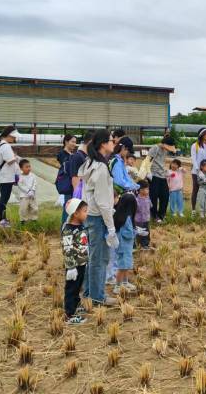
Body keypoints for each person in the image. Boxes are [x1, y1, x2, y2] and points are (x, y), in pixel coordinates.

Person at [78, 129, 118, 307]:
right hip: (98, 218)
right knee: (100, 259)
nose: (113, 143)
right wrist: (111, 228)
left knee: (92, 257)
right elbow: (103, 203)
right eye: (111, 140)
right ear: (103, 144)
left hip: (90, 216)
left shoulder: (90, 162)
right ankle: (97, 296)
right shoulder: (101, 168)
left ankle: (88, 292)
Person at [61, 198, 89, 324]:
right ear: (75, 214)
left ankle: (76, 305)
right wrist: (71, 267)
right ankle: (69, 314)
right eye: (84, 211)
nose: (86, 213)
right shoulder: (68, 229)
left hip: (81, 262)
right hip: (74, 265)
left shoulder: (81, 226)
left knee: (78, 286)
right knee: (71, 288)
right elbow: (67, 249)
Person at [0, 126, 21, 228]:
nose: (15, 139)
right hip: (6, 177)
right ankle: (2, 220)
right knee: (4, 199)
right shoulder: (6, 146)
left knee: (4, 198)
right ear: (9, 136)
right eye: (14, 137)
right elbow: (9, 161)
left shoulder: (1, 144)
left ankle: (3, 219)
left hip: (5, 176)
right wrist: (15, 157)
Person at [112, 192, 138, 294]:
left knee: (126, 266)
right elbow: (127, 233)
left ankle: (125, 282)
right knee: (122, 267)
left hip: (125, 247)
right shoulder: (126, 218)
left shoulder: (121, 215)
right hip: (124, 246)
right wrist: (135, 232)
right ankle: (117, 286)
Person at [147, 135, 177, 221]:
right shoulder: (155, 148)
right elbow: (147, 161)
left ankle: (162, 214)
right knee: (153, 196)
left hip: (162, 175)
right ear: (165, 144)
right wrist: (148, 173)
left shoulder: (165, 150)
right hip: (154, 175)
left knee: (165, 196)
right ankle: (154, 215)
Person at [190, 128, 206, 211]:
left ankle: (205, 210)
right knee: (196, 190)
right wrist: (198, 171)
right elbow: (194, 158)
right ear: (201, 135)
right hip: (196, 172)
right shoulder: (195, 146)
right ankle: (193, 210)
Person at [56, 134, 77, 225]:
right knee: (68, 207)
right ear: (66, 142)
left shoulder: (72, 154)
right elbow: (67, 167)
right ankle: (64, 228)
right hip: (68, 184)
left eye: (75, 142)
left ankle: (70, 226)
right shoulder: (62, 154)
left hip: (73, 183)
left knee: (73, 207)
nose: (74, 144)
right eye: (72, 141)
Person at [68, 129, 95, 199]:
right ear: (90, 142)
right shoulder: (78, 157)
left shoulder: (87, 156)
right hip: (82, 198)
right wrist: (78, 201)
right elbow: (75, 180)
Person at [17, 159, 38, 223]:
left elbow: (35, 183)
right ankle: (23, 220)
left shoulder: (33, 175)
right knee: (24, 208)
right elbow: (20, 185)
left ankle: (34, 219)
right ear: (21, 168)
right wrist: (28, 191)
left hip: (32, 195)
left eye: (29, 166)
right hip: (24, 196)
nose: (28, 168)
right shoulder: (20, 177)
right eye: (26, 167)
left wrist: (32, 190)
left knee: (34, 208)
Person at [135, 180, 152, 249]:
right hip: (139, 220)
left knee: (147, 232)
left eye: (148, 189)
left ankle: (145, 244)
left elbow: (150, 205)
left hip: (146, 219)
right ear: (140, 190)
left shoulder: (148, 197)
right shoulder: (137, 199)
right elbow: (135, 209)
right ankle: (138, 244)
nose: (148, 191)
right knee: (139, 232)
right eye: (146, 189)